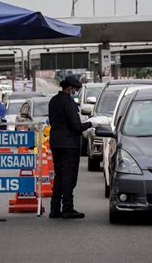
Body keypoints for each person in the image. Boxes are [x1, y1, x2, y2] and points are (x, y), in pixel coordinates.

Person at [48, 75, 98, 219]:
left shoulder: (53, 101)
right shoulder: (69, 103)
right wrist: (91, 123)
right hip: (69, 144)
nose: (76, 92)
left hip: (56, 142)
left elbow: (53, 121)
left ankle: (55, 209)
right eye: (75, 89)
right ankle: (67, 208)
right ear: (70, 88)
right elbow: (77, 127)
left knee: (59, 175)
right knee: (69, 176)